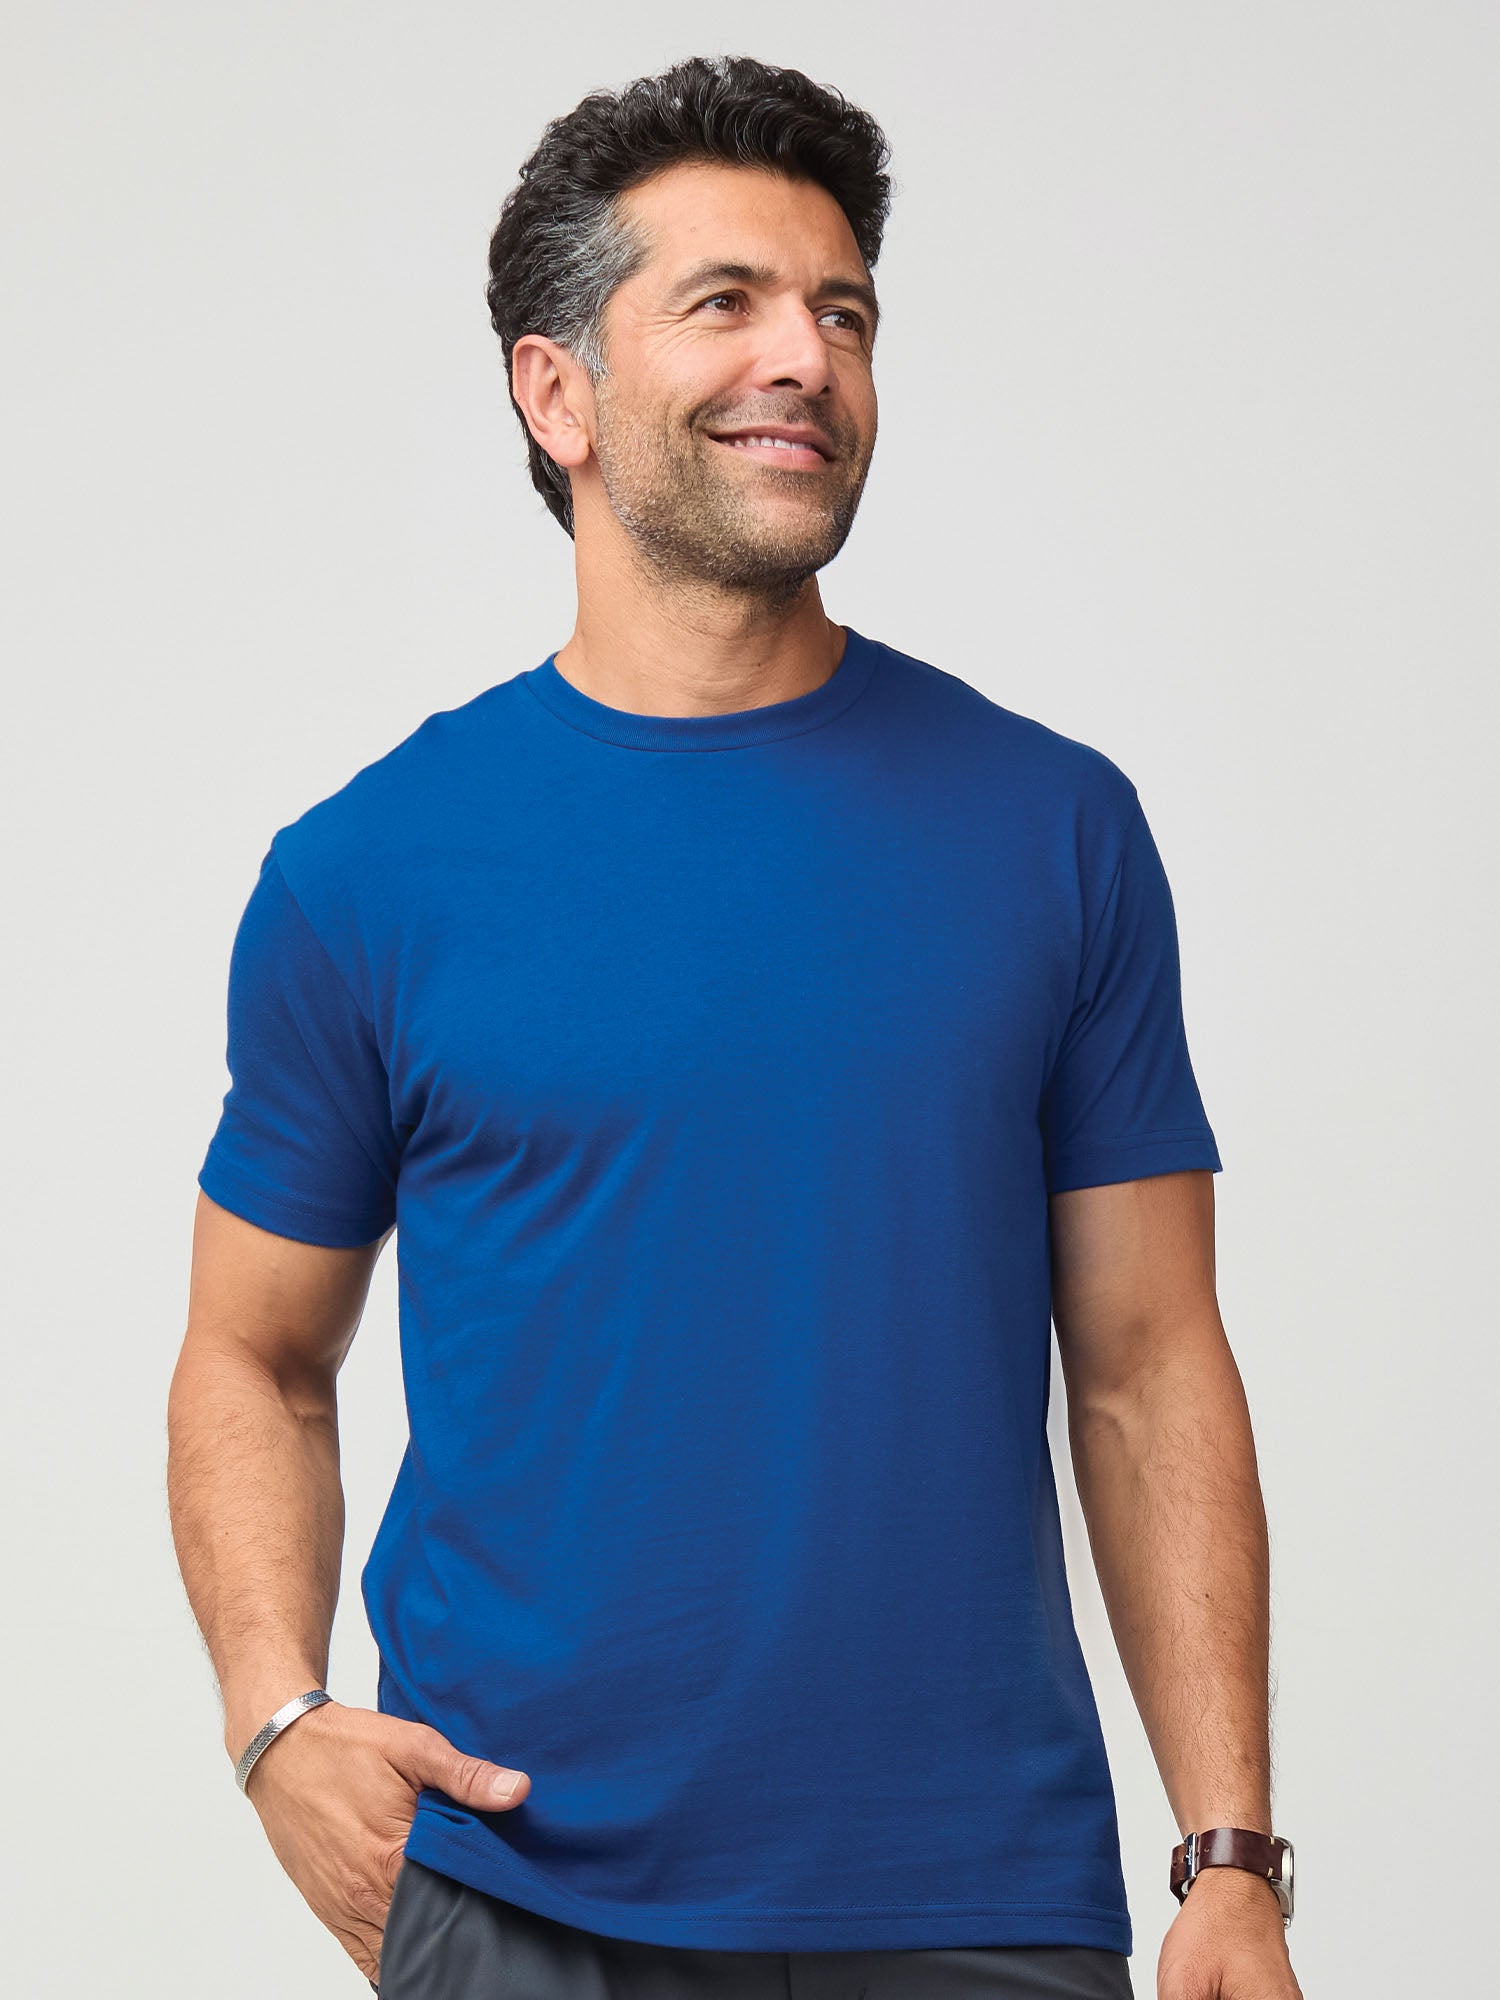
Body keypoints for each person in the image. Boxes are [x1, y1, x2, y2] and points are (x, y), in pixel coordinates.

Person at [168, 52, 1302, 2000]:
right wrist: (279, 1725)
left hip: (977, 1901)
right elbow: (252, 1355)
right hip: (521, 1900)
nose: (808, 356)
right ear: (556, 394)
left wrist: (1232, 1855)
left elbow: (1147, 1361)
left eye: (843, 312)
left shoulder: (1053, 829)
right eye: (729, 302)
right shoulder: (369, 870)